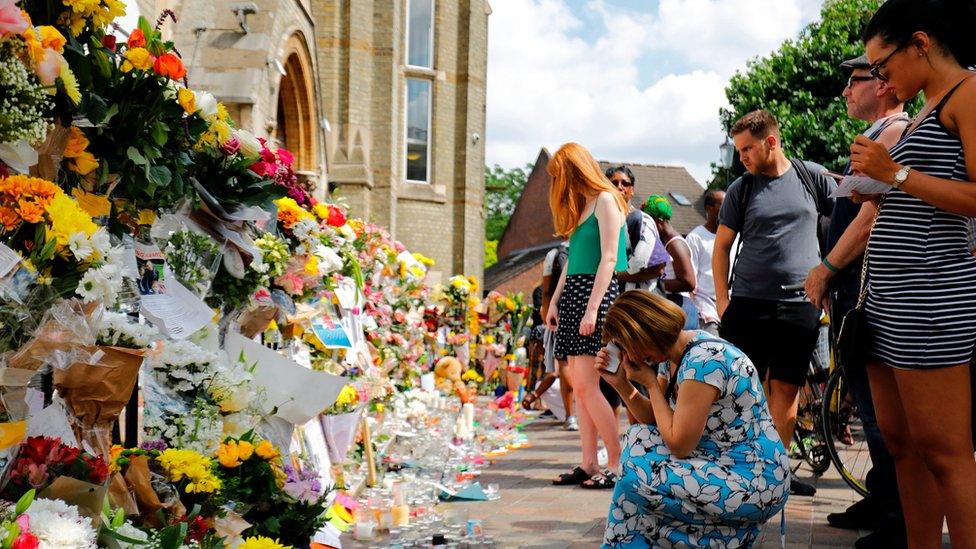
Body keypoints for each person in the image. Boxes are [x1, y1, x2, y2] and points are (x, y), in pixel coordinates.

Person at [851, 1, 976, 545]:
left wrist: (893, 172)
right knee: (901, 445)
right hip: (887, 300)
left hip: (931, 297)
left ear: (920, 43)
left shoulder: (967, 94)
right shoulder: (924, 108)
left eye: (883, 65)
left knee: (945, 450)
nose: (880, 79)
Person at [802, 53, 909, 548]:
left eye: (856, 80)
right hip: (855, 288)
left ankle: (898, 514)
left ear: (885, 85)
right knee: (866, 405)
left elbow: (872, 218)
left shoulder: (894, 131)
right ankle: (882, 496)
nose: (846, 90)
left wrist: (826, 268)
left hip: (866, 289)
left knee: (881, 410)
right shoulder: (877, 135)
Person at [597, 290, 789, 547]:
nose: (630, 356)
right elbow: (654, 420)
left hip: (755, 479)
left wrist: (651, 384)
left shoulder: (703, 362)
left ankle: (706, 540)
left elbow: (680, 444)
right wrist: (622, 384)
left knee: (636, 470)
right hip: (722, 462)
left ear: (646, 332)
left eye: (628, 346)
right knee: (637, 441)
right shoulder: (677, 354)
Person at [712, 110, 836, 497]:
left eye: (748, 148)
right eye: (738, 150)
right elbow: (721, 248)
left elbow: (841, 226)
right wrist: (722, 301)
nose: (742, 157)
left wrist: (830, 277)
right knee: (741, 393)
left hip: (800, 305)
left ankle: (775, 474)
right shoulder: (741, 189)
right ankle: (741, 469)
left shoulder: (811, 176)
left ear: (771, 141)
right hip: (747, 304)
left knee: (786, 392)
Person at [546, 142, 628, 490]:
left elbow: (609, 259)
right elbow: (574, 261)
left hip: (596, 295)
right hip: (578, 294)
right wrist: (554, 301)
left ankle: (616, 462)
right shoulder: (584, 207)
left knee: (588, 386)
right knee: (581, 389)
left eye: (560, 175)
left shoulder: (607, 200)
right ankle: (589, 462)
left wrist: (594, 307)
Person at [605, 166, 669, 292]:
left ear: (632, 190)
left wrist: (614, 275)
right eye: (614, 183)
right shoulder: (603, 222)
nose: (619, 187)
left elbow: (658, 268)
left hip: (639, 301)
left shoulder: (640, 220)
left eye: (625, 183)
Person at [642, 195, 699, 331]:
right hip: (672, 306)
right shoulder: (664, 242)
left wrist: (653, 283)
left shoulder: (675, 244)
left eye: (649, 223)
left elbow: (689, 282)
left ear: (660, 222)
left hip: (681, 308)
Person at [685, 190, 727, 334]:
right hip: (706, 313)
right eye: (723, 204)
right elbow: (690, 280)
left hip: (729, 311)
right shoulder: (695, 238)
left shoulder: (733, 237)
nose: (728, 208)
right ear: (709, 208)